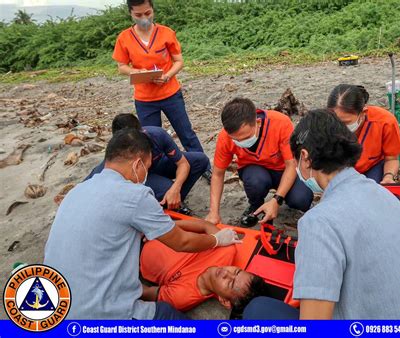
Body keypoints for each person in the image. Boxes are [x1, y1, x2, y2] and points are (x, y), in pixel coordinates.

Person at [243, 109, 400, 320]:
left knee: (258, 310)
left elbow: (315, 326)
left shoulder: (318, 222)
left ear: (305, 158)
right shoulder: (382, 193)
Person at [44, 129, 240, 319]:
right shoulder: (135, 196)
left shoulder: (77, 191)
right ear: (138, 164)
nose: (146, 175)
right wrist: (216, 240)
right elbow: (182, 242)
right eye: (146, 168)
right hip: (98, 314)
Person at [113, 0, 212, 182]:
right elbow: (121, 66)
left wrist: (167, 75)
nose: (145, 18)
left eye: (148, 13)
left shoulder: (166, 33)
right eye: (139, 15)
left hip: (170, 93)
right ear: (130, 14)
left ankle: (204, 166)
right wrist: (136, 72)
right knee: (151, 137)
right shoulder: (124, 38)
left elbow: (179, 61)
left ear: (153, 10)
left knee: (185, 132)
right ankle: (160, 172)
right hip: (144, 98)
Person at [205, 98, 313, 227]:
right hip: (255, 172)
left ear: (258, 123)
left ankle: (282, 200)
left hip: (284, 170)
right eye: (236, 139)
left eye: (245, 137)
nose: (241, 142)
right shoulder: (225, 136)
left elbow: (291, 165)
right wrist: (213, 212)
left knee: (302, 199)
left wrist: (276, 200)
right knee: (255, 181)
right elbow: (217, 174)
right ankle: (256, 205)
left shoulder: (280, 123)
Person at [85, 114, 209, 213]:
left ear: (141, 131)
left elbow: (183, 164)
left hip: (159, 166)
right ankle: (165, 204)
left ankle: (174, 201)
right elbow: (89, 184)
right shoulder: (116, 156)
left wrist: (175, 189)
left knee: (199, 160)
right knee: (165, 187)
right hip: (141, 179)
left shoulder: (156, 135)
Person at [140, 240, 265, 312]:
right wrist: (161, 229)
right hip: (157, 229)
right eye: (236, 272)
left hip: (134, 254)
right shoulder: (226, 251)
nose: (227, 273)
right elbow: (203, 226)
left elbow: (143, 292)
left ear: (224, 300)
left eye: (230, 283)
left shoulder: (182, 297)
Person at [327, 84, 400, 184]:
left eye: (346, 122)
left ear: (363, 112)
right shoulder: (324, 122)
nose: (340, 126)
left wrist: (388, 177)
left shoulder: (385, 121)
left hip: (372, 167)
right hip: (337, 168)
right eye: (335, 120)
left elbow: (391, 159)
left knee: (369, 188)